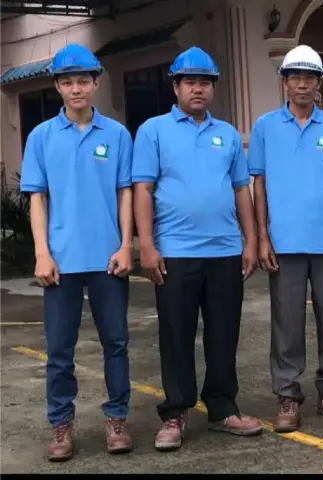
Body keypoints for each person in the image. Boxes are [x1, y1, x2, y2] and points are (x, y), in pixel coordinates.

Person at [131, 46, 262, 452]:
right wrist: (146, 245)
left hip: (224, 251)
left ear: (213, 88)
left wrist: (251, 241)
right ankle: (175, 412)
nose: (198, 89)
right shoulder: (153, 131)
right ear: (176, 87)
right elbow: (143, 189)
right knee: (176, 334)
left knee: (224, 333)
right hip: (175, 251)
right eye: (190, 82)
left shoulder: (227, 134)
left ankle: (222, 408)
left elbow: (241, 190)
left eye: (205, 82)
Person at [20, 42, 134, 461]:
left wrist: (125, 245)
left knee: (116, 344)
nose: (76, 89)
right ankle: (61, 425)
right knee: (59, 351)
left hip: (108, 259)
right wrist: (42, 253)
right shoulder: (42, 137)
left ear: (96, 83)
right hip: (61, 262)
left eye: (83, 81)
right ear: (57, 87)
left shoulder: (117, 135)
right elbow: (37, 198)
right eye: (67, 82)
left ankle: (117, 418)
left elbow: (125, 193)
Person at [247, 44, 323, 433]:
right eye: (295, 77)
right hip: (284, 241)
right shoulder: (265, 126)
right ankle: (287, 395)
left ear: (319, 83)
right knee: (287, 322)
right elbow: (258, 183)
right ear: (284, 82)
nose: (302, 84)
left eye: (309, 78)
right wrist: (262, 236)